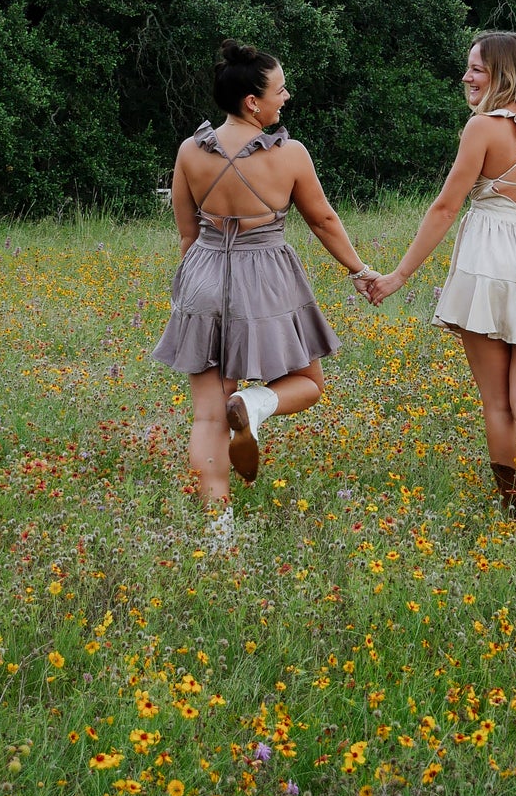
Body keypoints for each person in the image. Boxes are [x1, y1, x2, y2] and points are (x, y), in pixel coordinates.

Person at [152, 40, 375, 545]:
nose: (286, 96)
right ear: (253, 102)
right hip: (267, 275)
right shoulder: (289, 154)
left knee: (208, 414)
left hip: (204, 274)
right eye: (279, 90)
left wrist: (188, 291)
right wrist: (359, 269)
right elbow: (322, 219)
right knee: (309, 383)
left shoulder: (190, 151)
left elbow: (187, 235)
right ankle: (255, 404)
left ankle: (218, 532)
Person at [364, 30, 516, 517]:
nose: (466, 76)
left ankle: (513, 507)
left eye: (477, 69)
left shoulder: (483, 129)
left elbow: (446, 208)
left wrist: (399, 276)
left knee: (497, 402)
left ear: (504, 75)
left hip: (488, 265)